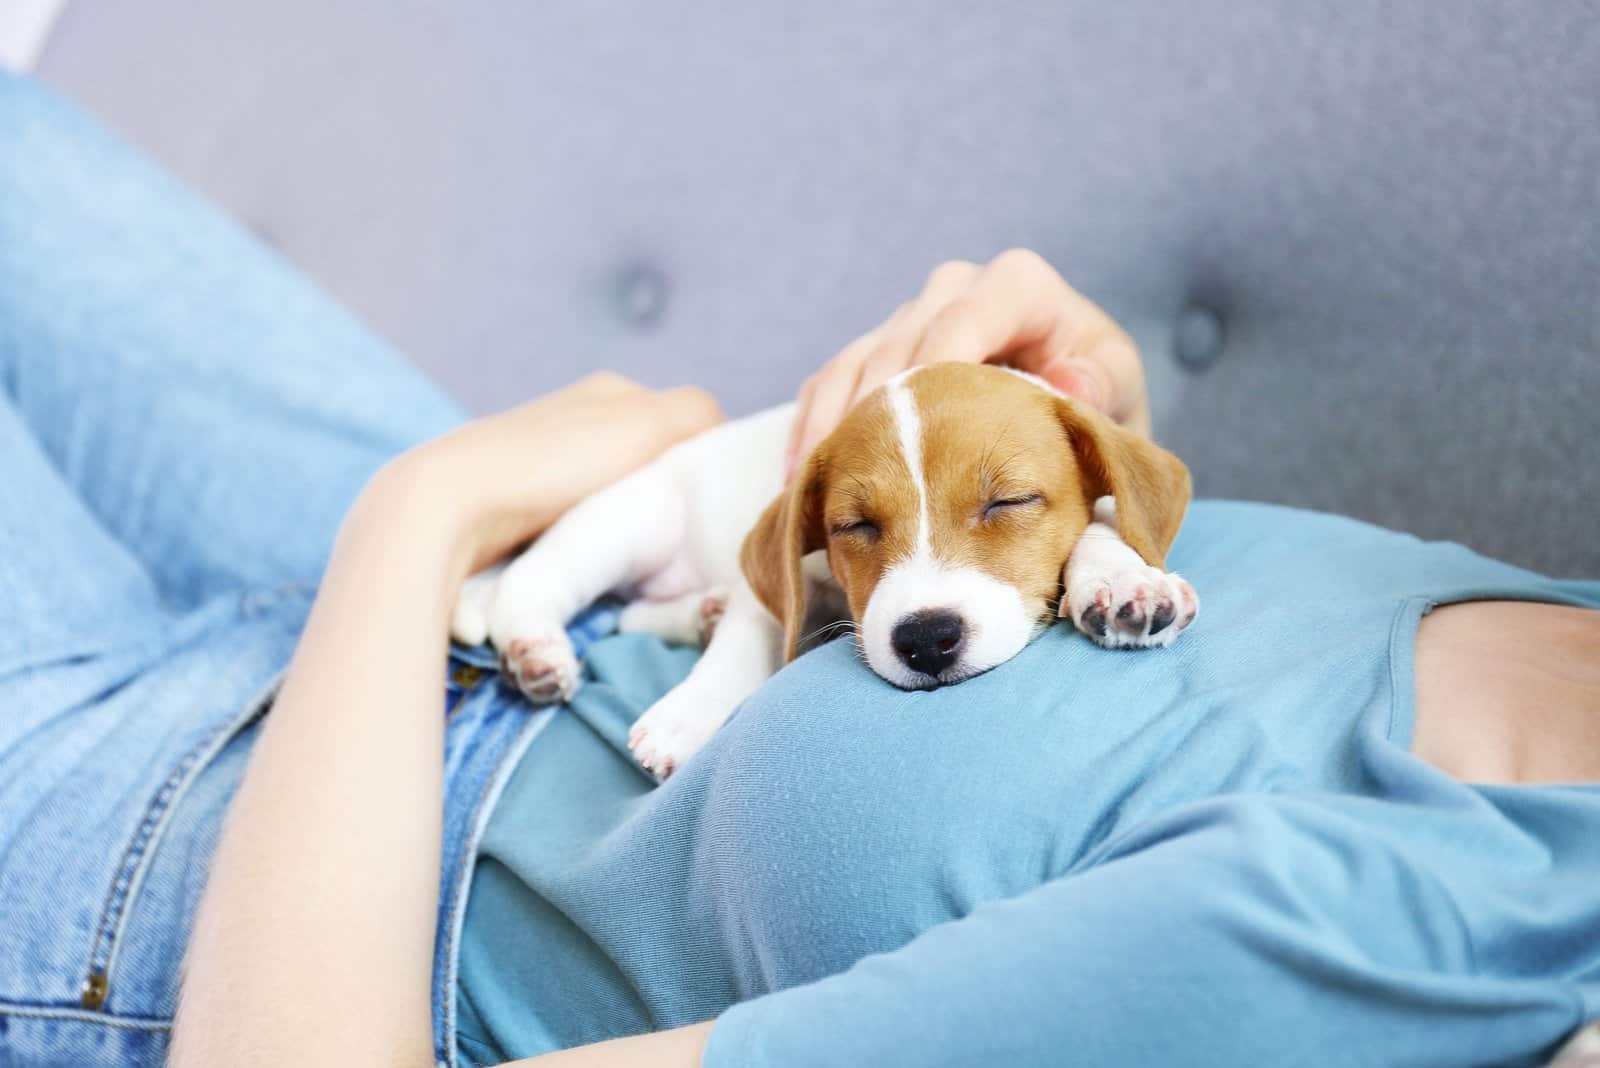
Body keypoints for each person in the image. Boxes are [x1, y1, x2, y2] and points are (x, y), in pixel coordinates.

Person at [1, 73, 1596, 1068]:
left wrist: (419, 515)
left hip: (220, 862)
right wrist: (1067, 415)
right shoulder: (1560, 630)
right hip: (549, 589)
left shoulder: (1417, 922)